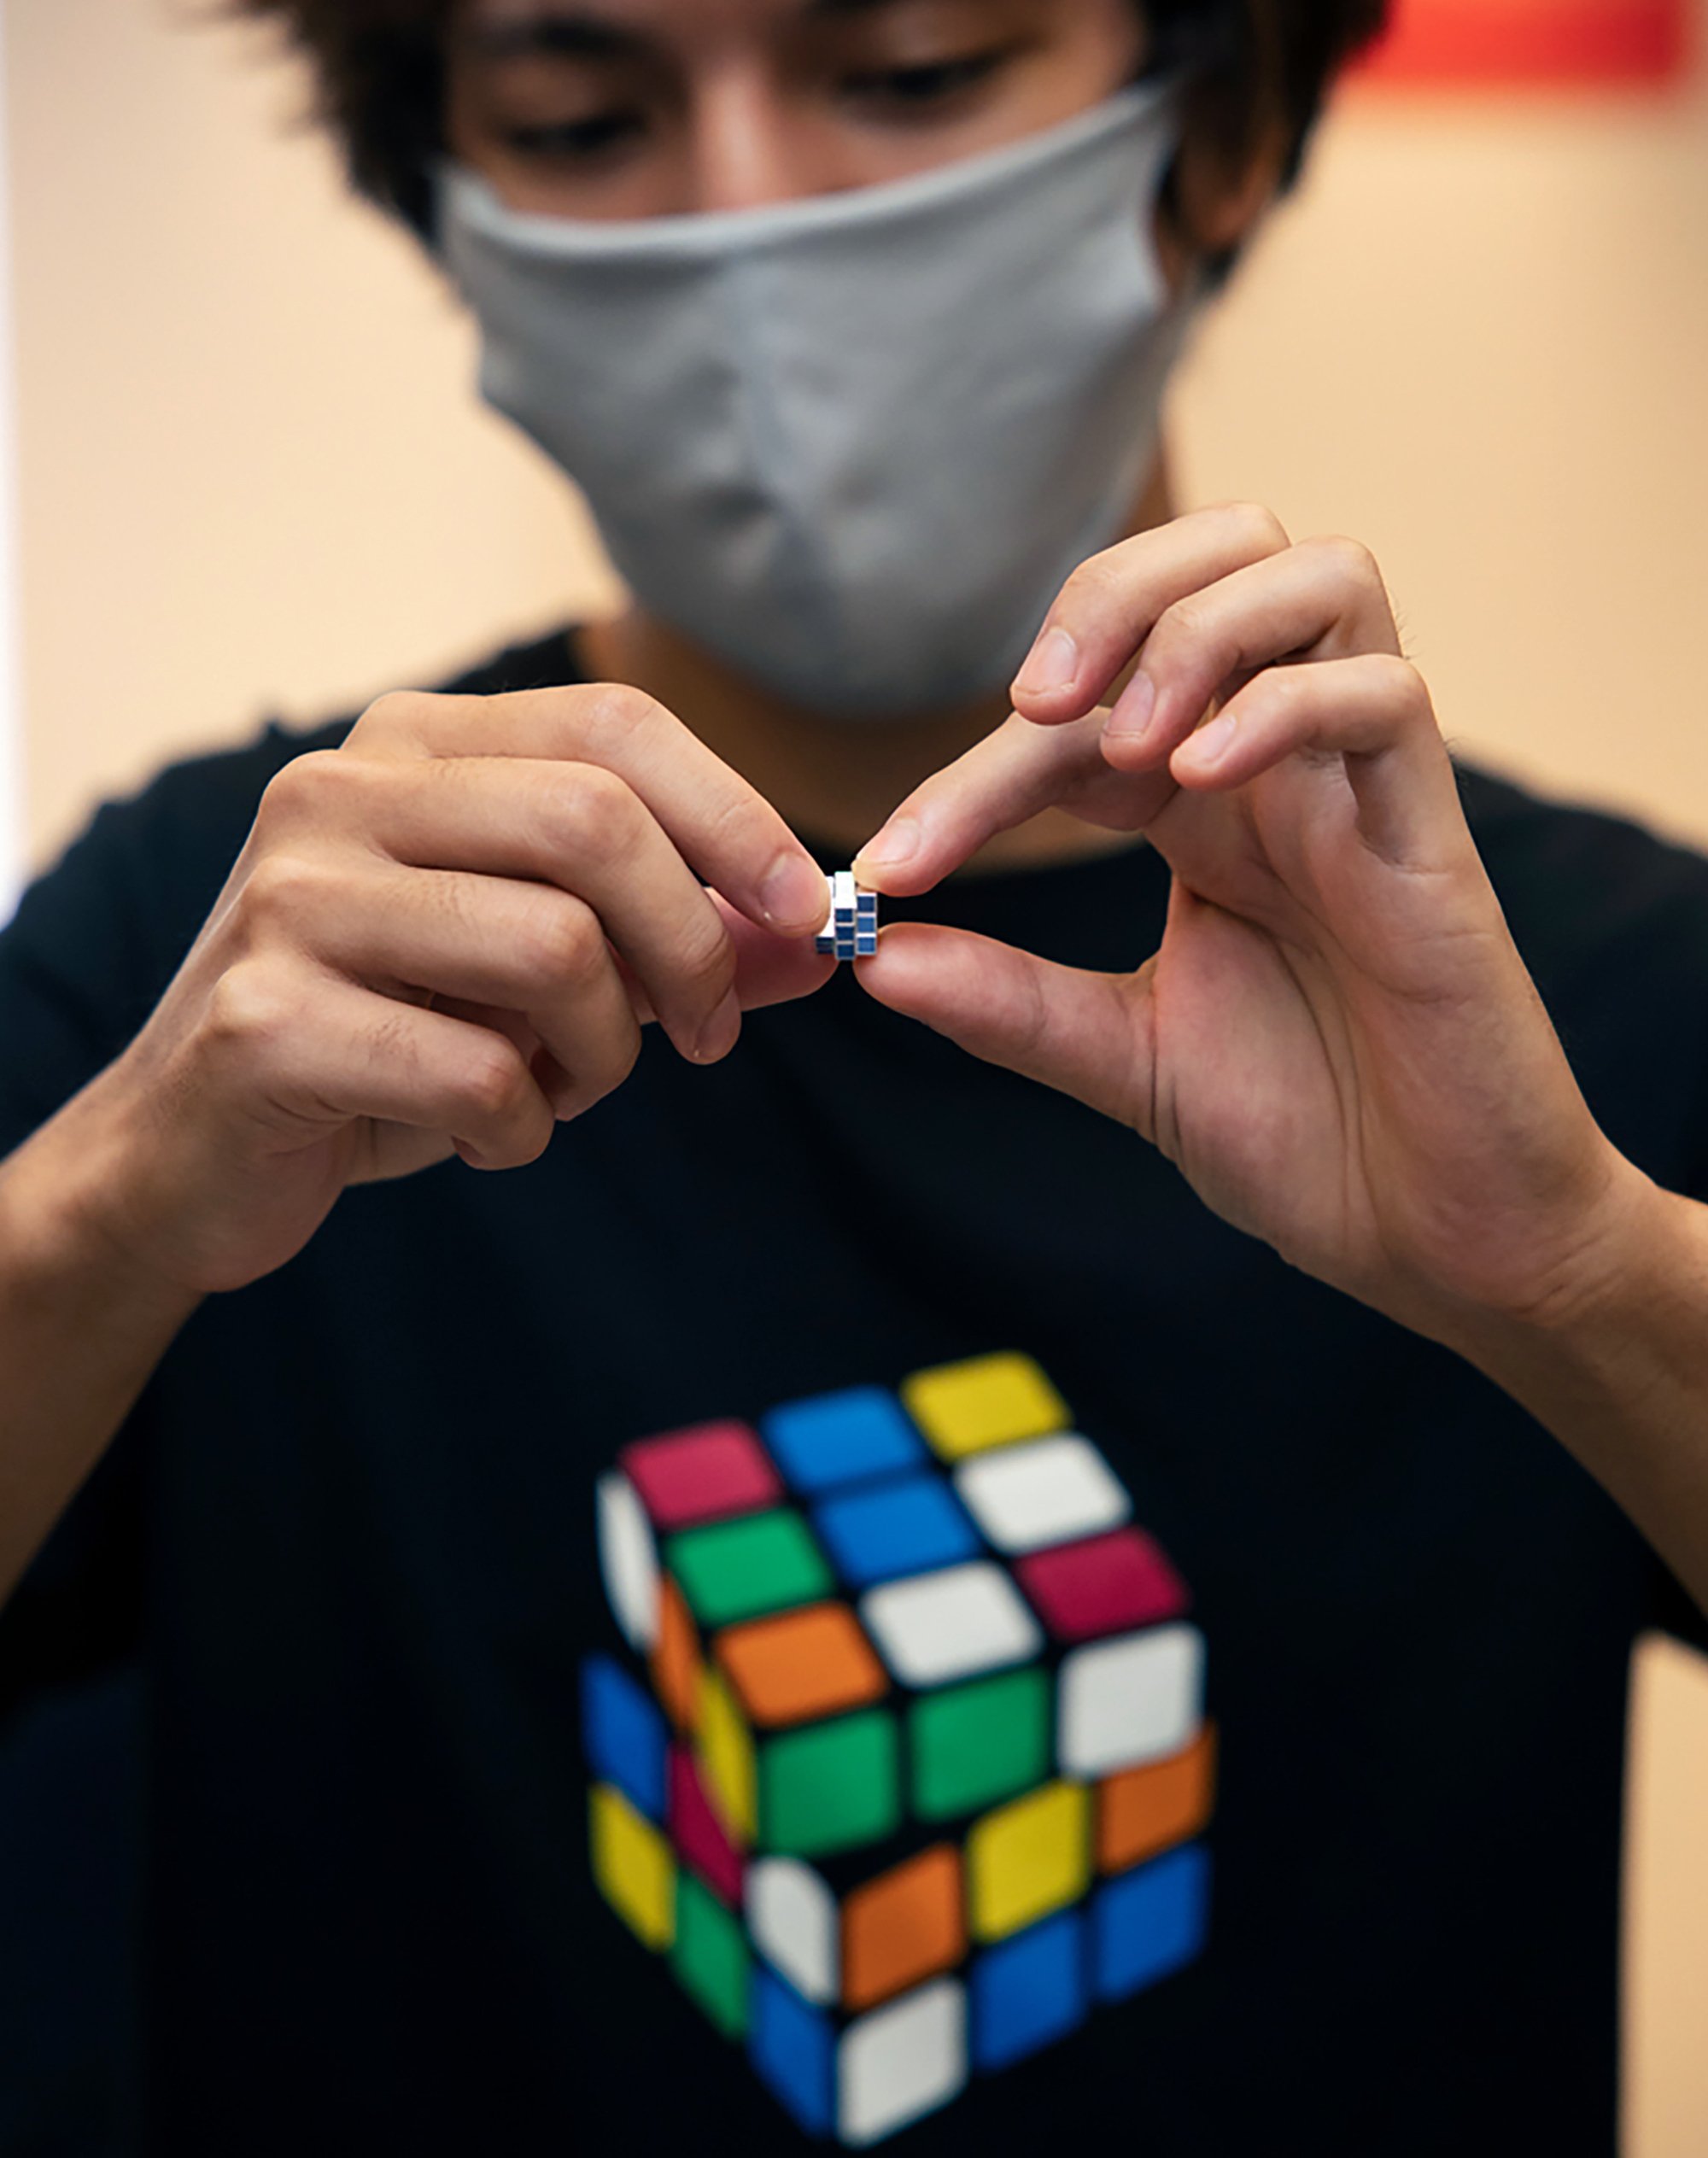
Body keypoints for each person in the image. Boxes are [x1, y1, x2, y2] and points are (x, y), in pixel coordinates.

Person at [1, 0, 1704, 2149]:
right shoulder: (219, 961)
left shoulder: (1592, 1005)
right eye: (583, 115)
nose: (751, 221)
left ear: (1228, 121)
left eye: (905, 70)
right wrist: (109, 1203)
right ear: (455, 211)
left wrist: (1581, 1270)